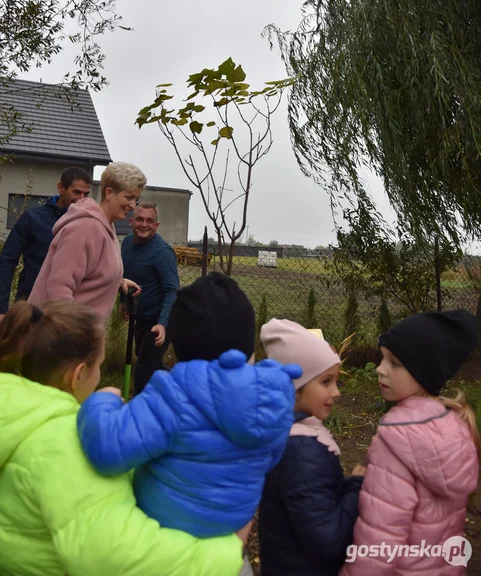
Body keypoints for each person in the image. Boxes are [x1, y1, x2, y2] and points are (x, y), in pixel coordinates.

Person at [0, 299, 246, 576]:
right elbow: (115, 557)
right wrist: (228, 551)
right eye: (99, 365)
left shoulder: (16, 414)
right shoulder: (66, 443)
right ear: (78, 375)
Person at [77, 272, 302, 542]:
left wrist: (102, 402)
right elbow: (270, 459)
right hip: (229, 534)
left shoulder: (174, 394)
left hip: (167, 534)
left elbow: (108, 448)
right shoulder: (276, 394)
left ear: (179, 346)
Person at [340, 310, 480, 576]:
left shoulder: (396, 443)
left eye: (395, 363)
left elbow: (379, 544)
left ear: (423, 373)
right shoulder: (456, 428)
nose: (380, 369)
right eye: (383, 358)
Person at [258, 319, 364, 576]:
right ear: (294, 390)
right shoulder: (301, 451)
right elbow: (328, 542)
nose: (337, 392)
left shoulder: (289, 433)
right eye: (326, 381)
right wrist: (356, 488)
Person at [29, 162, 145, 322]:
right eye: (129, 197)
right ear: (109, 192)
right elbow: (59, 287)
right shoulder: (86, 227)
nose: (133, 205)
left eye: (136, 199)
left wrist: (118, 281)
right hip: (58, 337)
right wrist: (75, 337)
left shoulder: (106, 227)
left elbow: (90, 272)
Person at [0, 166, 92, 320]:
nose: (81, 199)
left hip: (69, 311)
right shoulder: (32, 218)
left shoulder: (88, 224)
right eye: (76, 192)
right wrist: (1, 309)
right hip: (31, 307)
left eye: (86, 194)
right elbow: (7, 260)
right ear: (61, 188)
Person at [120, 202, 180, 394]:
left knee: (143, 373)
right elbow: (124, 276)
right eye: (139, 219)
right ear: (131, 221)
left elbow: (173, 291)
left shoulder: (162, 252)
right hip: (141, 315)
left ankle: (140, 417)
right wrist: (123, 302)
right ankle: (183, 388)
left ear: (156, 225)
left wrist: (162, 323)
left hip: (163, 317)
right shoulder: (127, 243)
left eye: (149, 221)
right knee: (150, 364)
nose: (144, 224)